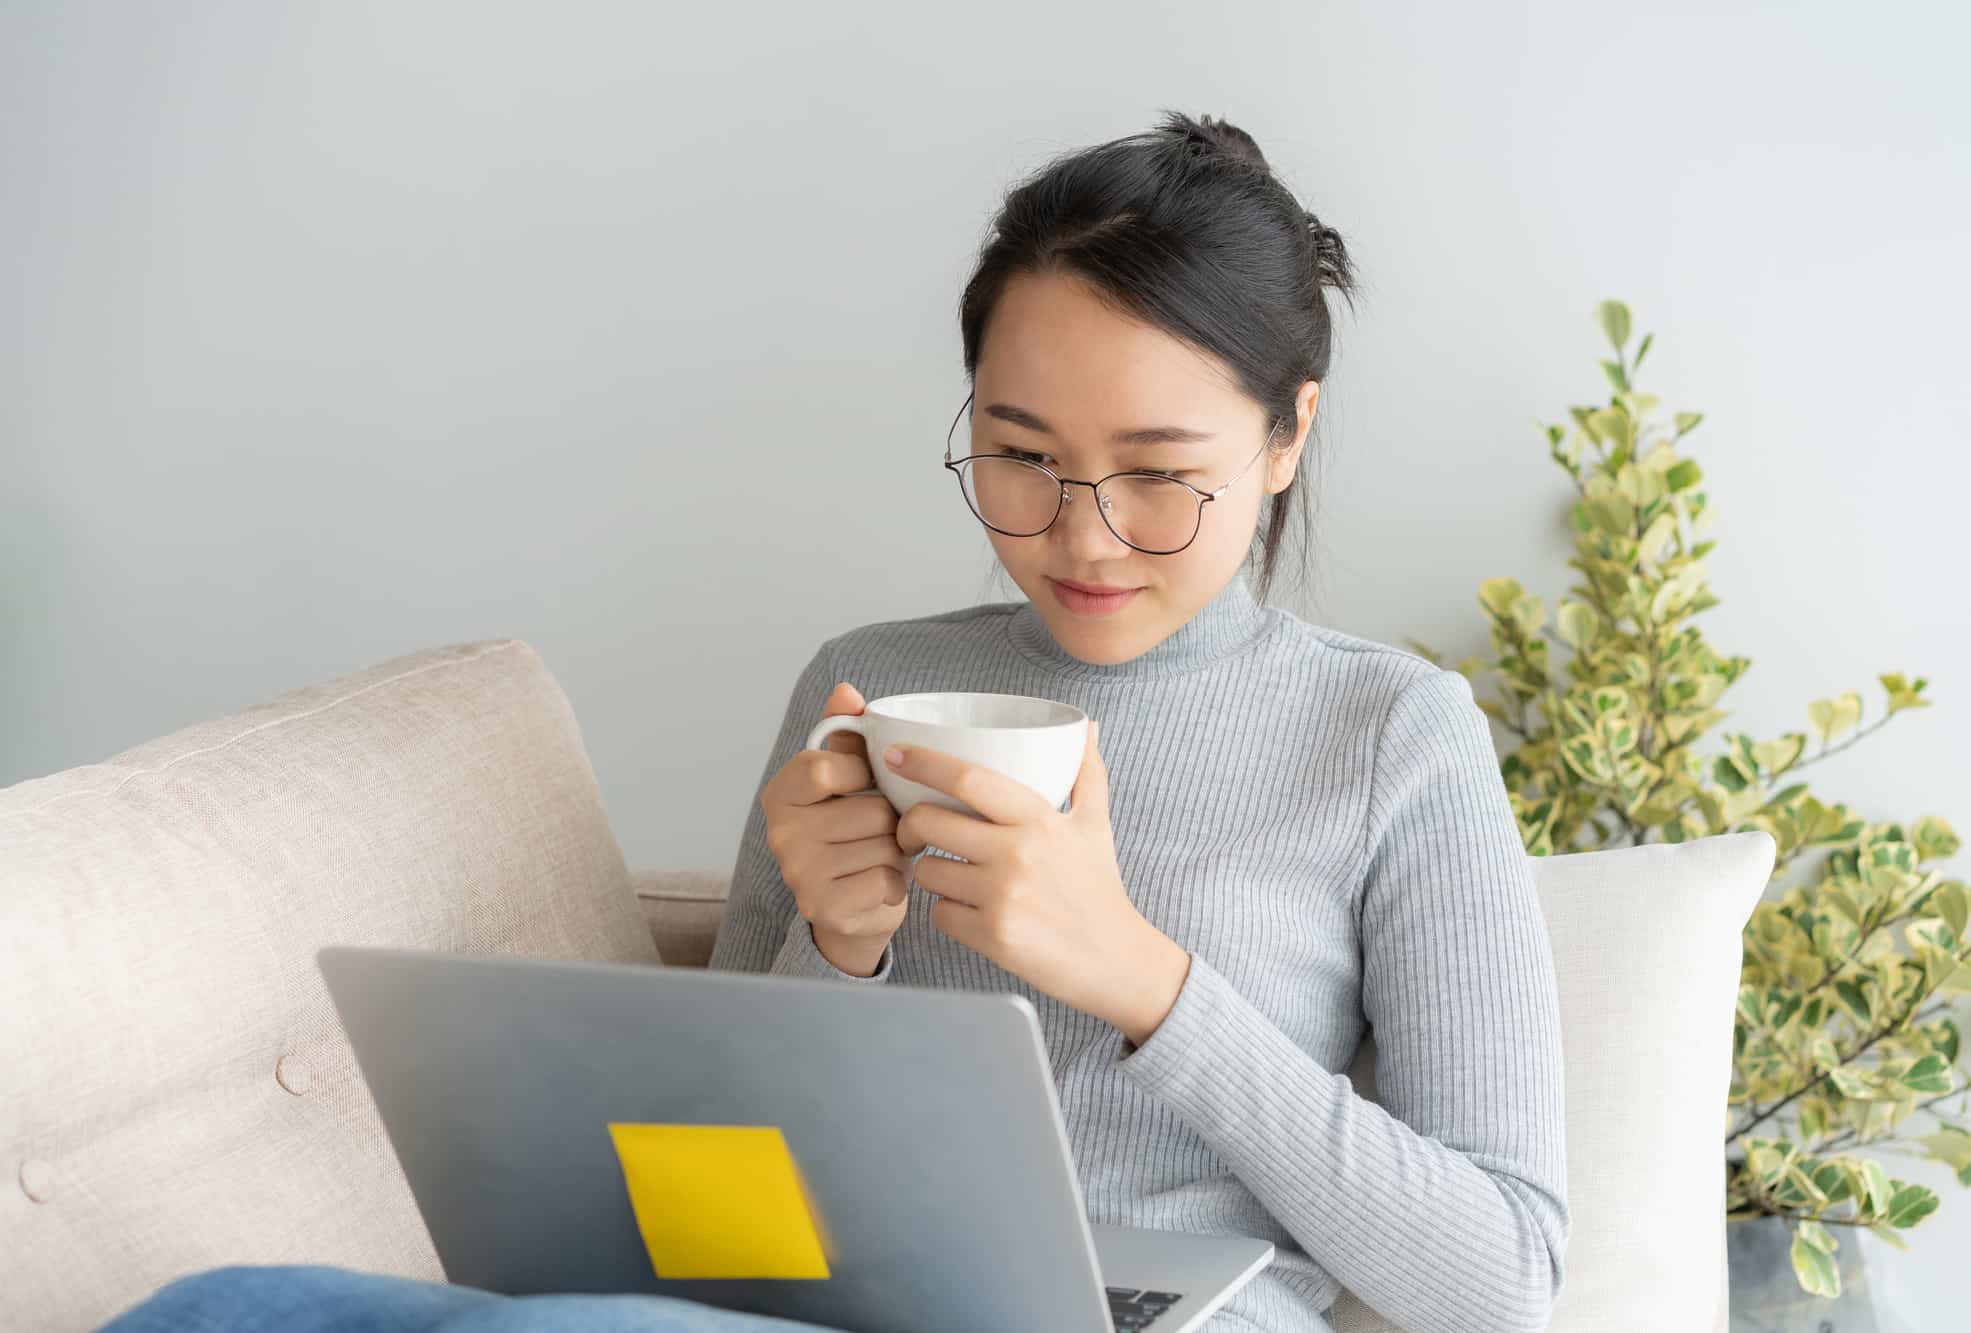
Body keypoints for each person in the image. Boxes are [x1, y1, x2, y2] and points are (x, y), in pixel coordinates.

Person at [102, 109, 1567, 1333]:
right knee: (232, 1303)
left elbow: (1506, 1271)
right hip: (820, 1306)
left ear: (1288, 432)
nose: (1084, 534)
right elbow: (705, 1176)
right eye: (1019, 456)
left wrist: (1144, 982)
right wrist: (836, 946)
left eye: (1157, 471)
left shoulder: (1390, 735)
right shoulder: (868, 681)